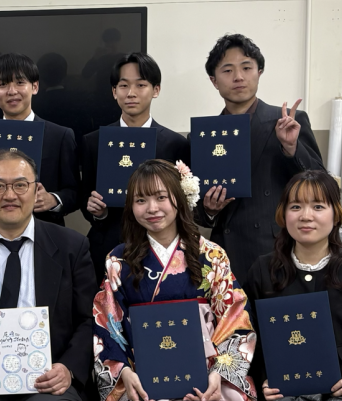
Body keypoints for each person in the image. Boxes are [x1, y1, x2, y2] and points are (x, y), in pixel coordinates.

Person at [92, 160, 256, 401]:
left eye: (161, 197)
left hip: (207, 375)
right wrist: (124, 371)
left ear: (180, 198)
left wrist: (218, 374)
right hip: (141, 376)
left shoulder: (211, 255)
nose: (152, 208)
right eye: (140, 200)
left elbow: (236, 317)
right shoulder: (118, 260)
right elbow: (107, 323)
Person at [0, 149, 96, 401]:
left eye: (20, 185)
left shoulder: (72, 246)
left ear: (37, 191)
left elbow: (88, 320)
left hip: (47, 377)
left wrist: (67, 368)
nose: (10, 195)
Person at [245, 171, 342, 401]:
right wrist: (263, 379)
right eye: (296, 207)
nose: (306, 216)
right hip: (284, 394)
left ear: (336, 214)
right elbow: (247, 338)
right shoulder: (263, 270)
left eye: (318, 206)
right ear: (283, 214)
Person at [196, 34, 324, 283]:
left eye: (246, 68)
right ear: (214, 80)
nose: (238, 77)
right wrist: (209, 210)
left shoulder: (288, 121)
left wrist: (291, 147)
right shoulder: (205, 135)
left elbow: (320, 182)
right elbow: (197, 209)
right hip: (227, 255)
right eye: (227, 70)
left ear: (259, 72)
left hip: (278, 251)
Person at [82, 53, 190, 282]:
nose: (131, 93)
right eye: (123, 85)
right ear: (114, 91)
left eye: (141, 85)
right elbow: (84, 198)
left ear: (155, 90)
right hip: (108, 247)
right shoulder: (94, 142)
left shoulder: (175, 144)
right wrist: (97, 211)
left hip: (164, 250)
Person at [0, 53, 80, 226]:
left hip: (47, 234)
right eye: (3, 84)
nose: (12, 91)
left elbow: (75, 192)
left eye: (20, 82)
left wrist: (53, 199)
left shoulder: (60, 136)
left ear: (35, 86)